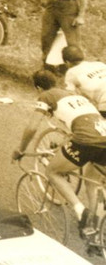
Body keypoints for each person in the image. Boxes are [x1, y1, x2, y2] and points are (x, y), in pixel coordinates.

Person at [13, 70, 106, 238]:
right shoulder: (74, 94)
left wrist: (21, 149)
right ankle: (93, 229)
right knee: (93, 182)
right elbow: (80, 126)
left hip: (86, 140)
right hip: (103, 136)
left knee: (53, 172)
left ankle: (80, 211)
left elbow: (32, 127)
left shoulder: (46, 96)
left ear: (39, 88)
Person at [62, 46, 106, 116]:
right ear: (83, 55)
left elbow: (70, 95)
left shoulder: (71, 72)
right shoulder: (99, 64)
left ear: (67, 62)